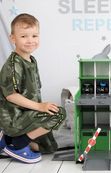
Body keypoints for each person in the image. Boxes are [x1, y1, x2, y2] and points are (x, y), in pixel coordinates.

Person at [0, 13, 66, 163]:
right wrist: (40, 107)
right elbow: (11, 96)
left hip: (27, 112)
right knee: (58, 115)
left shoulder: (31, 60)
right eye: (24, 36)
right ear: (13, 38)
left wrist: (41, 107)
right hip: (14, 117)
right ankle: (18, 143)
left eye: (34, 36)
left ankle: (8, 139)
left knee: (49, 148)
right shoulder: (13, 65)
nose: (30, 40)